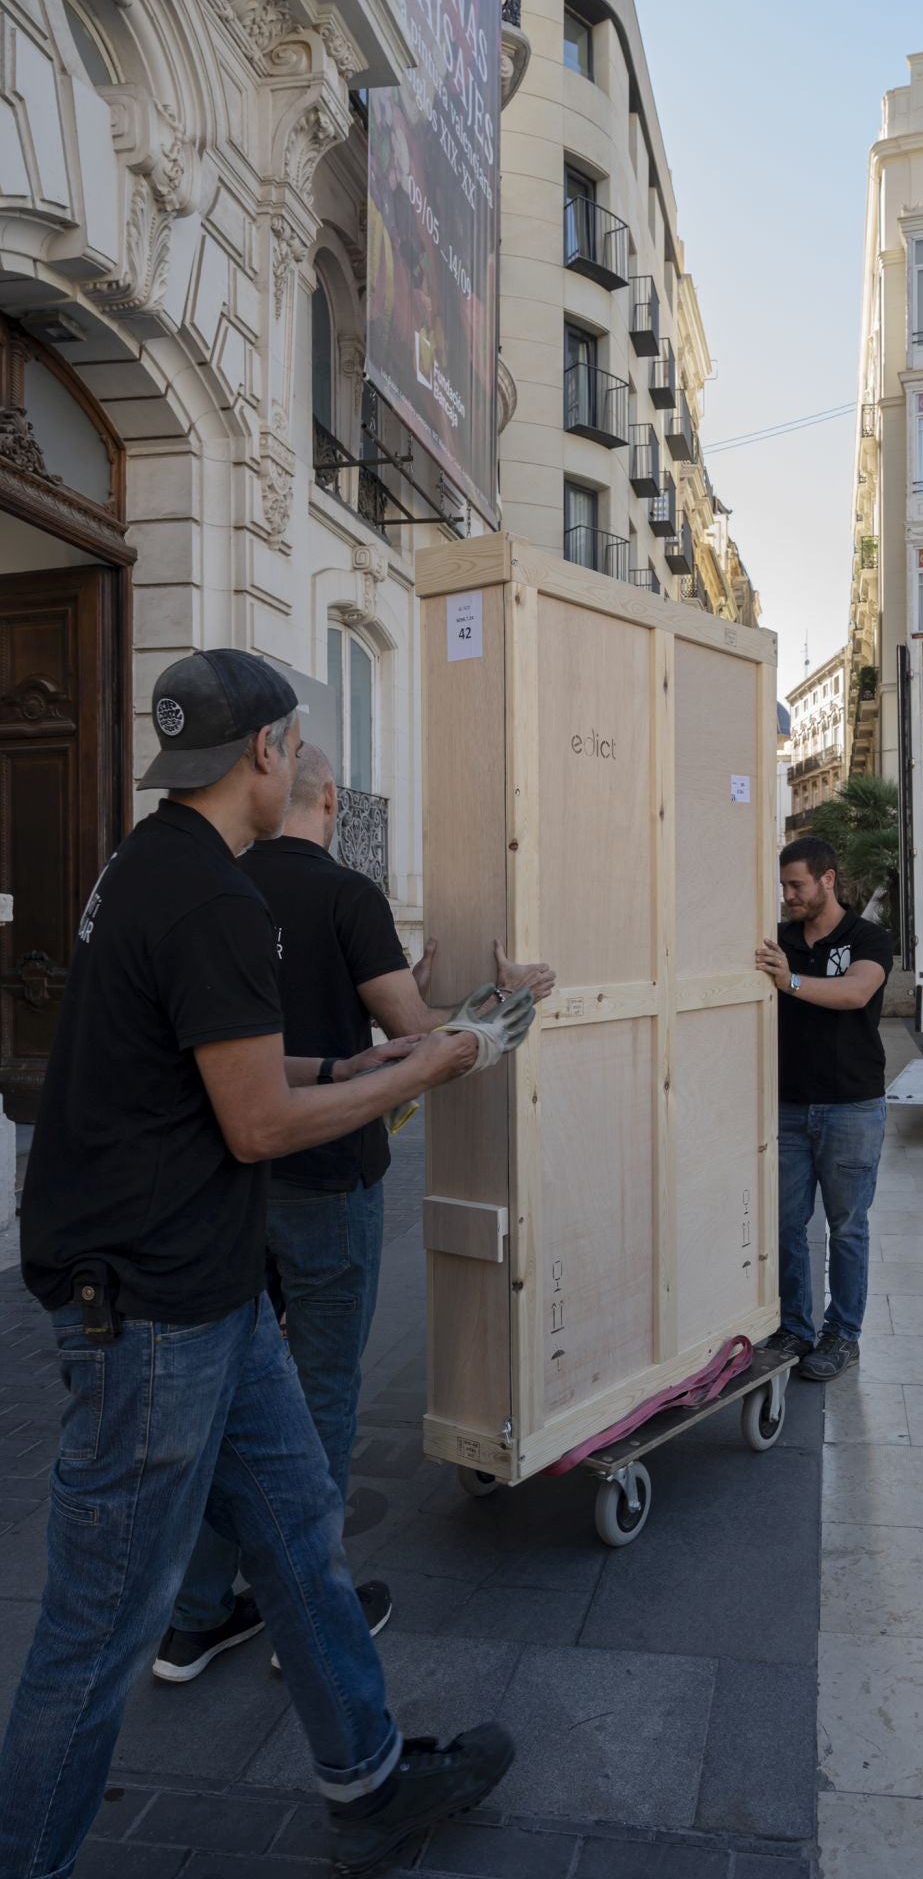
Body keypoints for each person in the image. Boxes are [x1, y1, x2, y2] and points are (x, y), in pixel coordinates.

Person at [0, 651, 529, 1879]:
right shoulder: (215, 899)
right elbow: (257, 1127)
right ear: (268, 753)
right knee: (95, 1632)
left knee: (298, 1534)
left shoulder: (149, 864)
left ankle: (372, 1781)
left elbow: (232, 1067)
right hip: (152, 1315)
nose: (293, 758)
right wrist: (433, 1068)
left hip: (209, 1295)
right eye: (291, 741)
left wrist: (352, 1066)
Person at [156, 742, 554, 1683]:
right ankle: (311, 1609)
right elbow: (423, 1041)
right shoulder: (346, 896)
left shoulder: (218, 886)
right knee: (321, 1393)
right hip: (327, 1175)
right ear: (332, 798)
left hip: (231, 1184)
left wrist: (394, 984)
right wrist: (507, 999)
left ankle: (199, 1613)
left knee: (234, 1398)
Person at [755, 836, 893, 1382]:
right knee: (786, 1224)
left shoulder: (868, 938)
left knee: (848, 1227)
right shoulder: (781, 939)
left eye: (797, 885)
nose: (788, 895)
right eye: (784, 886)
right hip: (788, 1107)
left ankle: (843, 1335)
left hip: (852, 1108)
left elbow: (856, 993)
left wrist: (788, 979)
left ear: (828, 879)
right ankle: (794, 1328)